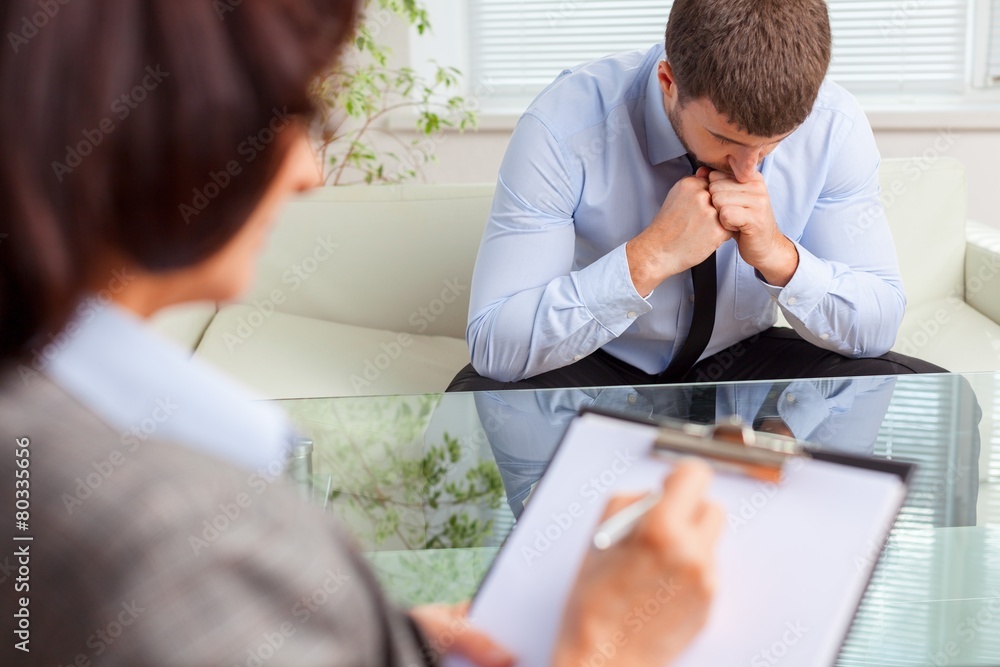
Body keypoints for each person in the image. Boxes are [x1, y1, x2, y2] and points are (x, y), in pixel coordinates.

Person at [0, 1, 723, 665]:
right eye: (289, 115)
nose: (311, 170)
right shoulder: (175, 544)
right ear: (159, 134)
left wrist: (372, 633)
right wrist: (603, 645)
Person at [448, 0, 945, 393]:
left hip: (742, 363)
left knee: (925, 392)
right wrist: (650, 256)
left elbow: (877, 324)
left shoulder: (834, 124)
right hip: (597, 364)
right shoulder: (564, 127)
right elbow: (496, 344)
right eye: (725, 139)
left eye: (774, 142)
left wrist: (779, 256)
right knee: (477, 399)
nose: (749, 167)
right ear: (669, 82)